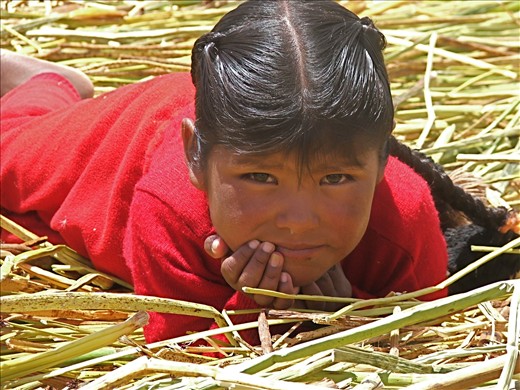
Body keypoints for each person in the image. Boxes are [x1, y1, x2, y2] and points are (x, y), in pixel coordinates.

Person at [1, 0, 518, 345]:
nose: (298, 222)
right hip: (119, 139)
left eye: (335, 179)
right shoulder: (169, 206)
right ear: (195, 159)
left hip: (231, 122)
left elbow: (417, 339)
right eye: (261, 179)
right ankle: (48, 82)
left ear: (382, 162)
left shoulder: (403, 222)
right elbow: (178, 357)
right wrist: (258, 313)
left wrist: (345, 315)